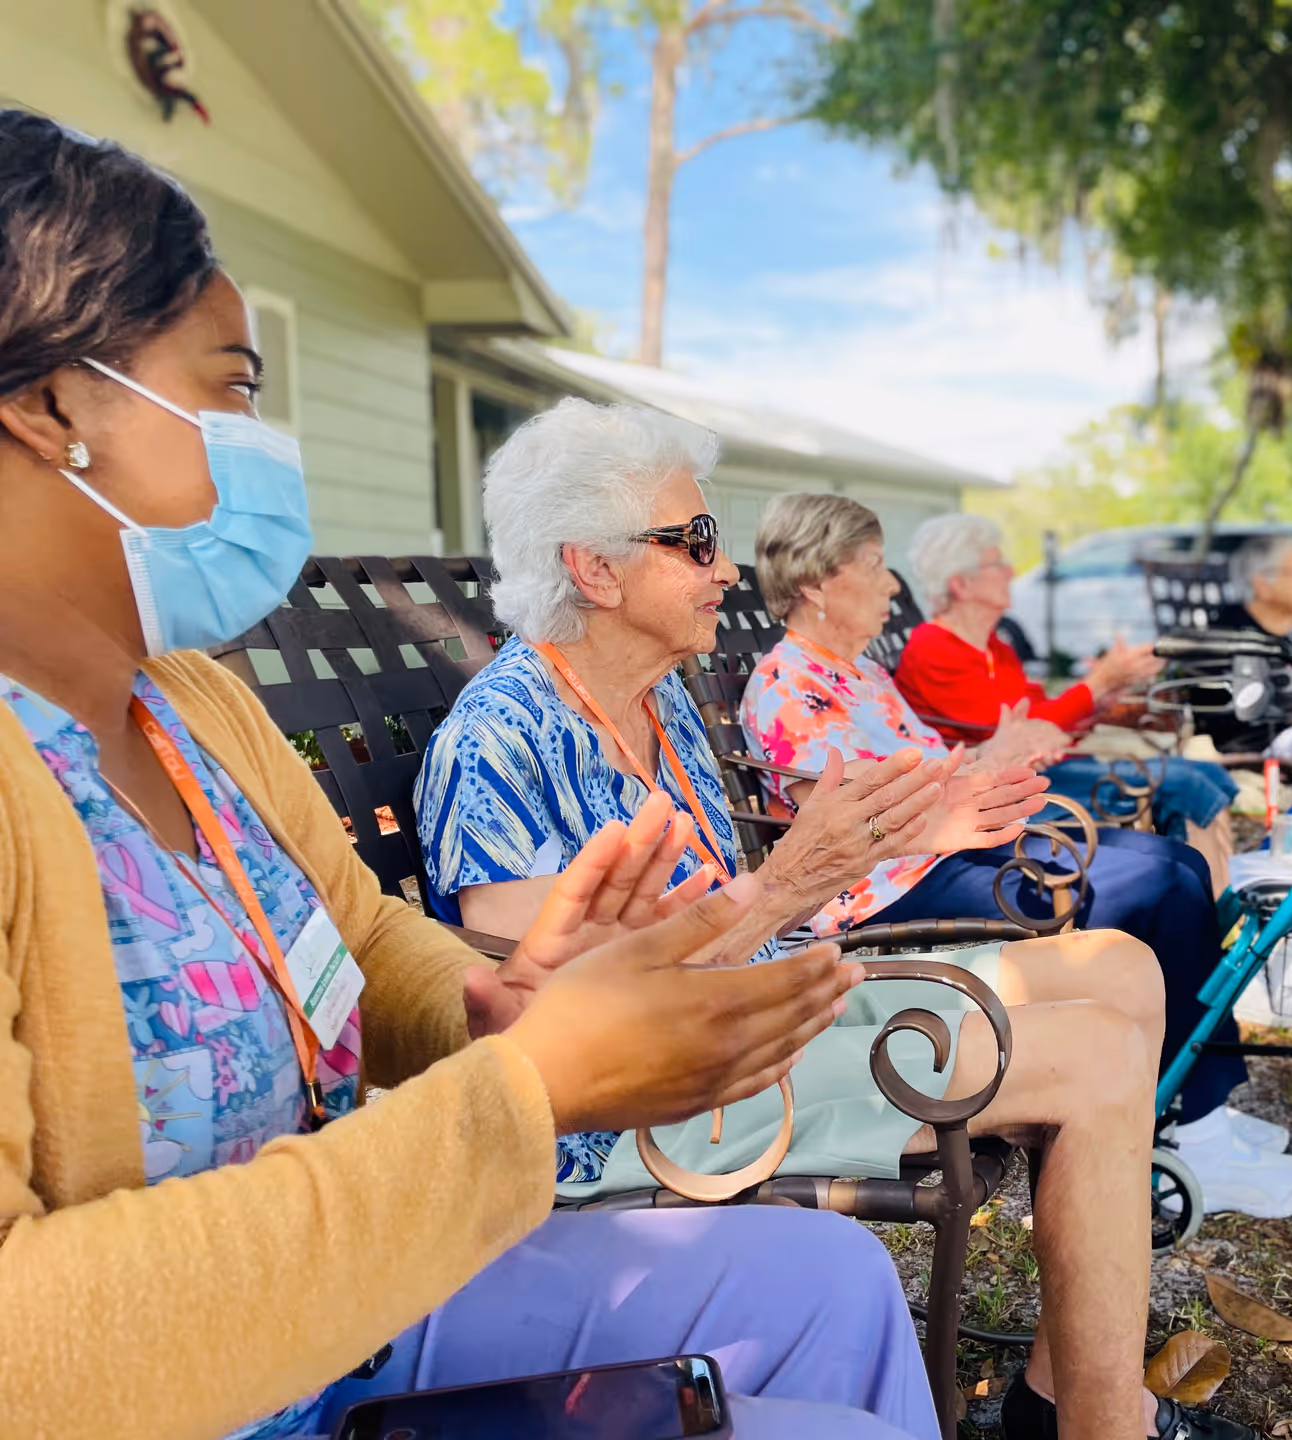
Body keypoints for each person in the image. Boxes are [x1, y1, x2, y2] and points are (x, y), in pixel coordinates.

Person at [0, 110, 937, 1440]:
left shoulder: (184, 702)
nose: (266, 441)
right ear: (49, 407)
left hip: (340, 1317)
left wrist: (495, 1003)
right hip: (207, 1385)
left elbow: (357, 927)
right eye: (230, 387)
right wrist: (524, 1092)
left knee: (834, 1284)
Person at [412, 399, 1256, 1440]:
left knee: (1123, 964)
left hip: (771, 1001)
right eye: (698, 542)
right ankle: (1099, 1423)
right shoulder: (495, 745)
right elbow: (554, 1022)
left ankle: (1056, 1395)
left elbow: (747, 906)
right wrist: (793, 883)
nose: (727, 570)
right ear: (595, 569)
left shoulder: (657, 700)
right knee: (1085, 1052)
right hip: (672, 1098)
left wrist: (880, 842)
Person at [744, 494, 1292, 1226]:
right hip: (894, 886)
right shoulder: (786, 685)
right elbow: (854, 822)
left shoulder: (860, 674)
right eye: (873, 566)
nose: (893, 585)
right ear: (818, 583)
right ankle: (1194, 1126)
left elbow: (933, 765)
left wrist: (993, 761)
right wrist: (989, 761)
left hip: (962, 846)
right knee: (1156, 882)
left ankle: (1198, 1102)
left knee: (1178, 865)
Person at [896, 512, 1241, 894]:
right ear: (961, 584)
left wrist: (1100, 702)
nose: (1011, 572)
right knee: (1186, 781)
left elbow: (1047, 719)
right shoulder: (933, 648)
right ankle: (1221, 914)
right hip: (1002, 790)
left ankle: (1219, 903)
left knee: (1203, 773)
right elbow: (1018, 734)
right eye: (997, 563)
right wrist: (1099, 682)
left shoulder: (995, 648)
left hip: (1041, 773)